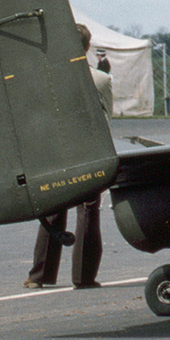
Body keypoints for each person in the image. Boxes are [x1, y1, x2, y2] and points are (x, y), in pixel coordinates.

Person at [25, 26, 113, 289]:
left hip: (54, 151)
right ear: (87, 47)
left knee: (52, 209)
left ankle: (40, 276)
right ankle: (84, 277)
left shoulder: (45, 77)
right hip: (88, 151)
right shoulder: (101, 79)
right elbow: (108, 116)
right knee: (88, 211)